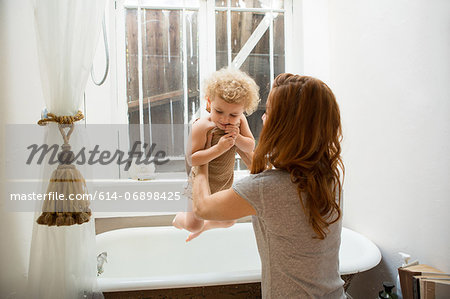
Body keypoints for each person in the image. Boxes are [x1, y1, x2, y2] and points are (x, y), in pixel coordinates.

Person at [192, 74, 346, 298]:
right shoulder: (327, 177)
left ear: (285, 126)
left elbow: (203, 208)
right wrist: (238, 145)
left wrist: (203, 157)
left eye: (269, 111)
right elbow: (272, 182)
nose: (263, 117)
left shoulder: (267, 190)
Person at [172, 67, 260, 242]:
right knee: (193, 224)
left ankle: (205, 226)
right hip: (199, 182)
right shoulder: (202, 126)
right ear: (209, 102)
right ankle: (179, 219)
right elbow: (192, 158)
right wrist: (218, 149)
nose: (225, 119)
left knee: (229, 221)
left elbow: (250, 146)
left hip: (224, 180)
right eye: (219, 111)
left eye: (233, 114)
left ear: (242, 111)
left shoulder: (240, 121)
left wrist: (238, 138)